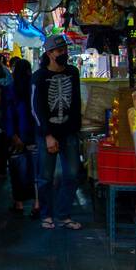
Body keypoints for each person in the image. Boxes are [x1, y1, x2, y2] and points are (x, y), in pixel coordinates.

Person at [31, 35, 82, 230]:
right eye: (59, 51)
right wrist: (47, 135)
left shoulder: (73, 73)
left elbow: (76, 102)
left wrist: (76, 130)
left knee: (73, 173)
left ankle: (64, 214)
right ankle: (46, 215)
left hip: (68, 132)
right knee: (45, 176)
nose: (63, 54)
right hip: (47, 133)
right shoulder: (39, 77)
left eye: (64, 50)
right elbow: (36, 108)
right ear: (50, 53)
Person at [5, 57, 39, 216]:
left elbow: (9, 114)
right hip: (33, 134)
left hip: (17, 135)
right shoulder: (34, 88)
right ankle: (36, 204)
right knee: (35, 170)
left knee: (16, 169)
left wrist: (13, 135)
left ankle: (18, 203)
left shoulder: (11, 89)